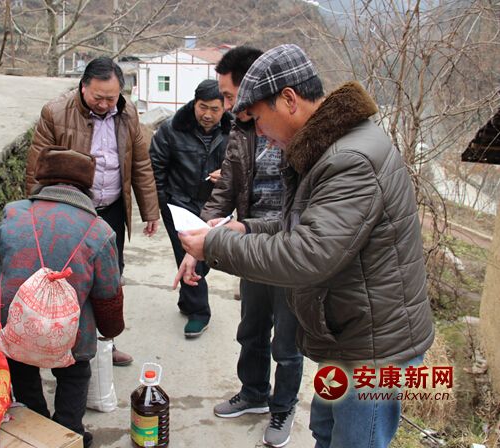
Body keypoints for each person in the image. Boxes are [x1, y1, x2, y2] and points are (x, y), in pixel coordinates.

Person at [178, 44, 434, 447]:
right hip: (348, 333)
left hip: (373, 347)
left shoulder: (350, 159)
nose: (259, 132)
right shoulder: (327, 148)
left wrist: (216, 246)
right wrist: (244, 228)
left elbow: (308, 253)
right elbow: (302, 227)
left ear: (289, 100)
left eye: (258, 119)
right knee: (325, 433)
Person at [0, 146, 125, 448]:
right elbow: (108, 293)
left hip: (14, 320)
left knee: (21, 363)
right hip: (67, 331)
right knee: (75, 372)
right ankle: (68, 432)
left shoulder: (15, 212)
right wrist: (111, 329)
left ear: (43, 179)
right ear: (87, 187)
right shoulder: (100, 231)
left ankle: (35, 426)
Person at [195, 46, 303, 447]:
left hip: (292, 249)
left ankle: (282, 407)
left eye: (229, 96)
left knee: (287, 342)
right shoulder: (240, 132)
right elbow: (225, 189)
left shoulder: (296, 132)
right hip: (251, 245)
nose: (226, 106)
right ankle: (254, 393)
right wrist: (199, 238)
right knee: (252, 329)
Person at [25, 56, 160, 366]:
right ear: (83, 87)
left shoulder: (127, 113)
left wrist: (149, 211)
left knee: (110, 280)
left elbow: (141, 163)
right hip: (71, 211)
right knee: (68, 278)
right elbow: (36, 168)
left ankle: (105, 346)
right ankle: (62, 346)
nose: (104, 104)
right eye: (98, 97)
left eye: (111, 98)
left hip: (111, 209)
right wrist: (36, 214)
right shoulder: (55, 112)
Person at [150, 79, 232, 338]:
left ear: (224, 108)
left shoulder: (234, 131)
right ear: (194, 103)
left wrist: (227, 176)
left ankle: (187, 301)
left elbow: (244, 167)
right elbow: (156, 167)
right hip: (179, 204)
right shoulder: (172, 128)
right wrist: (162, 203)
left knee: (205, 257)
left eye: (215, 109)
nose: (207, 114)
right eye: (202, 107)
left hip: (215, 206)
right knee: (189, 254)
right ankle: (199, 312)